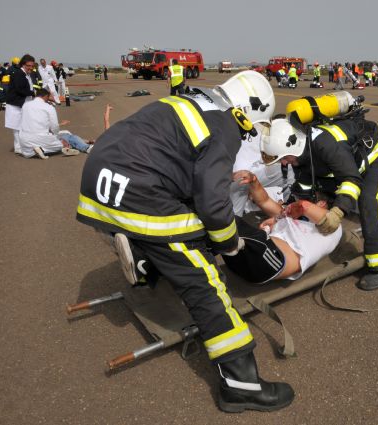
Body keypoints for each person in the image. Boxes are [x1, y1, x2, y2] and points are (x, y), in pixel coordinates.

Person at [76, 70, 293, 413]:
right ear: (249, 109)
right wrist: (229, 243)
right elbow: (212, 201)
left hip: (100, 181)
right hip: (139, 192)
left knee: (178, 232)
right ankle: (241, 385)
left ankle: (144, 255)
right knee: (204, 281)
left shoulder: (188, 100)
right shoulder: (224, 125)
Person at [261, 108, 378, 291]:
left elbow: (351, 179)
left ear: (293, 147)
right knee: (328, 192)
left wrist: (337, 212)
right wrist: (283, 216)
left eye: (284, 159)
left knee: (368, 201)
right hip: (345, 160)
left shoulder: (326, 144)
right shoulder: (300, 155)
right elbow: (303, 189)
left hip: (373, 150)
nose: (283, 164)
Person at [224, 170, 342, 284]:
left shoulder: (333, 226)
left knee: (223, 218)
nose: (297, 199)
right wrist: (253, 181)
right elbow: (264, 201)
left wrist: (280, 217)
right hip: (241, 264)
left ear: (322, 204)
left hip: (272, 261)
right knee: (215, 226)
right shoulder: (296, 217)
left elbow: (304, 206)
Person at [19, 88, 91, 159]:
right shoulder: (48, 107)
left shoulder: (25, 105)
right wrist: (55, 134)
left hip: (25, 142)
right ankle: (86, 148)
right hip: (41, 138)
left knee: (61, 136)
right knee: (67, 136)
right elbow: (54, 128)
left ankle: (41, 150)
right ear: (46, 96)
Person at [5, 54, 36, 154]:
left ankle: (24, 145)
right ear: (23, 64)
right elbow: (20, 89)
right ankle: (18, 148)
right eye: (28, 65)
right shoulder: (19, 74)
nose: (30, 67)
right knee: (17, 127)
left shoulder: (26, 74)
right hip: (15, 104)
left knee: (23, 126)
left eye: (32, 66)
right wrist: (34, 93)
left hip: (22, 103)